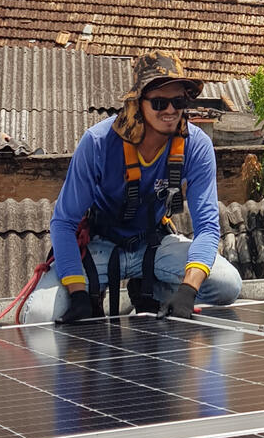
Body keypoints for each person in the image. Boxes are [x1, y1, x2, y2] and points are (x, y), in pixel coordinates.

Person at [20, 51, 242, 324]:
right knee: (38, 315)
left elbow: (207, 227)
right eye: (160, 102)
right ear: (138, 103)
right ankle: (91, 294)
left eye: (179, 101)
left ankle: (154, 290)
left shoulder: (196, 146)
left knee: (227, 284)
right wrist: (78, 292)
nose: (171, 111)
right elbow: (64, 223)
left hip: (154, 244)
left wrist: (188, 288)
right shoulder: (98, 143)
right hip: (100, 247)